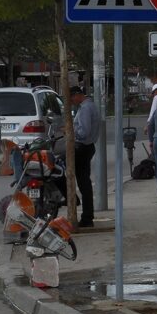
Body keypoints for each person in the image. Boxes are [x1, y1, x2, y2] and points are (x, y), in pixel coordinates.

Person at [71, 86, 100, 228]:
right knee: (84, 182)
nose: (71, 101)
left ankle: (86, 214)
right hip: (86, 147)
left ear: (78, 95)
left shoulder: (85, 108)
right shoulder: (89, 106)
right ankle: (87, 214)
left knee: (82, 182)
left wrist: (71, 131)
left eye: (72, 97)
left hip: (82, 146)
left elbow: (84, 131)